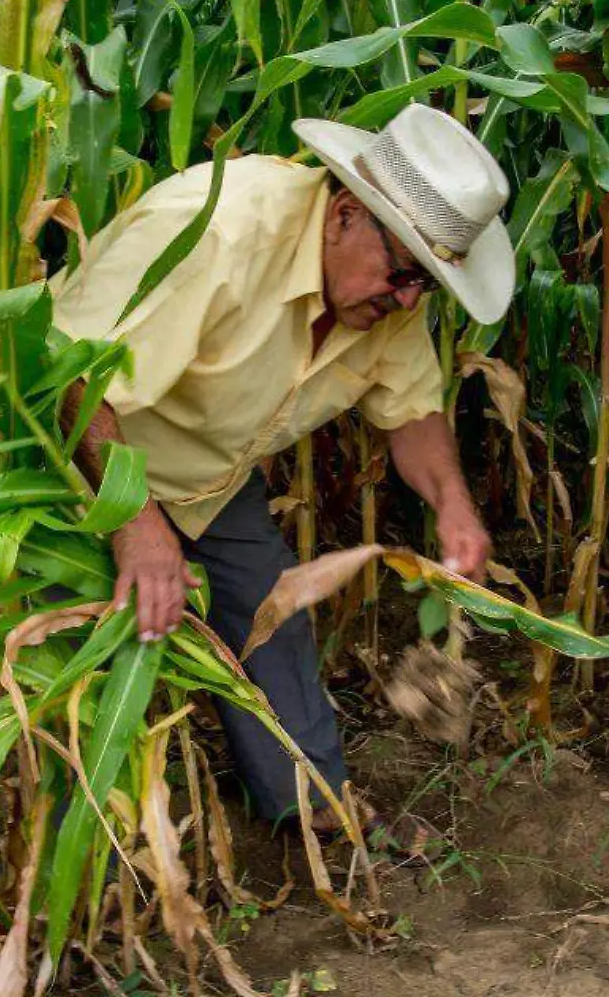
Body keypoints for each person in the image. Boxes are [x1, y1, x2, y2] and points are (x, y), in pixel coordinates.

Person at [52, 103, 515, 840]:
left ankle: (314, 812)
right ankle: (82, 836)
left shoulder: (386, 298)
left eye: (422, 287)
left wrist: (453, 505)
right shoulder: (220, 233)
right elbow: (76, 377)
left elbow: (412, 412)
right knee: (82, 636)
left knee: (271, 614)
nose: (405, 301)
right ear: (343, 217)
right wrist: (135, 523)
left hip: (206, 475)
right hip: (82, 449)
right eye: (401, 275)